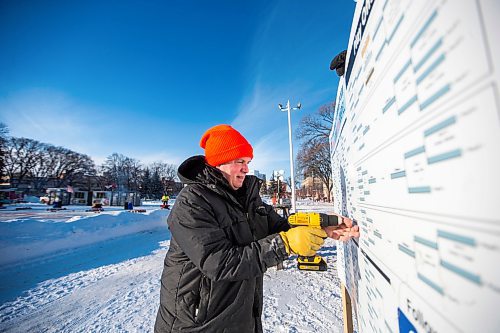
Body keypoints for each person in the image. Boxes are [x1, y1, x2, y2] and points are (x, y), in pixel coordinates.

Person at [154, 124, 359, 333]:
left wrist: (324, 225)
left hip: (239, 317)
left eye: (248, 162)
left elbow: (280, 226)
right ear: (219, 163)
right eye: (239, 161)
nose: (246, 169)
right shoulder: (192, 202)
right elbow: (219, 263)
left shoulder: (248, 197)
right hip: (197, 323)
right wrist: (286, 244)